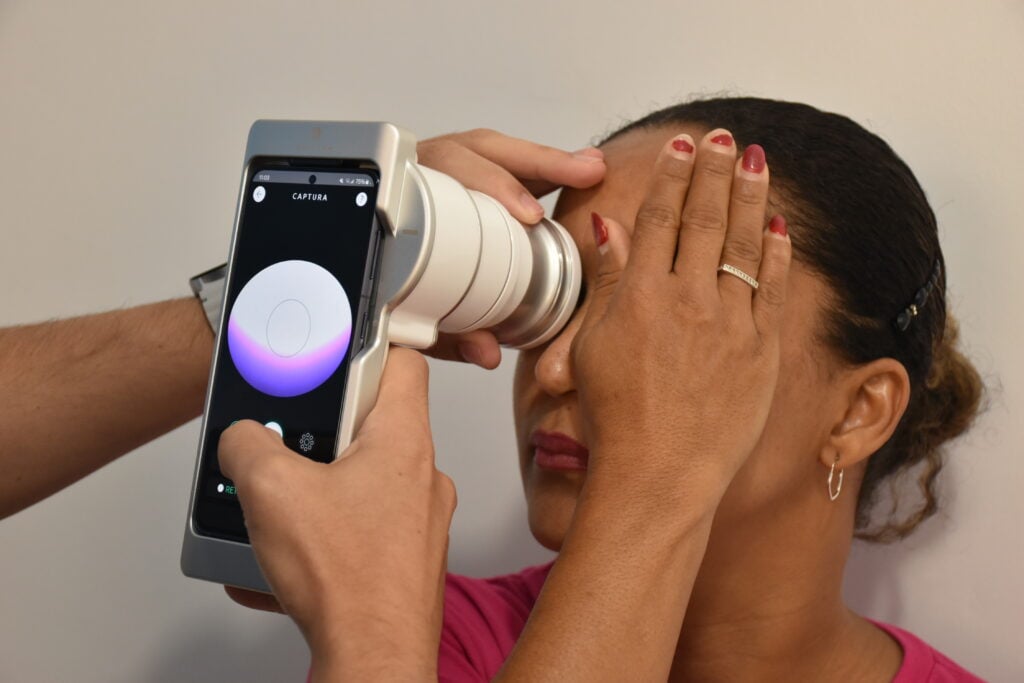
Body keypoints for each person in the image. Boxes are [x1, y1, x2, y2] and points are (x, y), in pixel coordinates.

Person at [0, 97, 985, 681]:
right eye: (556, 303)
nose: (551, 368)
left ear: (859, 411)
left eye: (671, 321)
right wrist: (338, 261)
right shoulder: (437, 635)